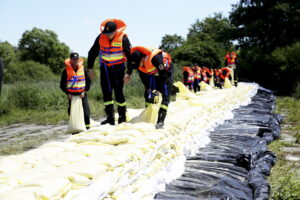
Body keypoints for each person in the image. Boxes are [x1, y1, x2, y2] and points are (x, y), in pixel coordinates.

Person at [87, 19, 131, 125]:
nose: (108, 35)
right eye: (106, 33)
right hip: (105, 69)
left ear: (115, 31)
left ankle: (122, 117)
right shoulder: (101, 37)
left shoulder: (123, 38)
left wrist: (128, 73)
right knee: (106, 92)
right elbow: (92, 52)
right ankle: (110, 118)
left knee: (118, 92)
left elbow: (130, 57)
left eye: (110, 33)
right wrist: (90, 68)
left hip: (118, 68)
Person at [124, 46, 174, 129]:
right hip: (153, 73)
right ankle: (147, 117)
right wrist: (128, 73)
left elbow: (163, 76)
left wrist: (157, 91)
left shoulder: (155, 59)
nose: (139, 66)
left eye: (139, 64)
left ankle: (160, 121)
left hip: (165, 72)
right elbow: (132, 66)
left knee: (165, 94)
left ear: (143, 58)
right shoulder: (136, 61)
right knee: (148, 93)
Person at [60, 53, 91, 129]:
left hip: (82, 95)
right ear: (70, 60)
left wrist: (84, 91)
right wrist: (67, 93)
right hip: (72, 96)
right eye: (73, 59)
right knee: (72, 114)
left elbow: (89, 82)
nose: (75, 60)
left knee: (86, 114)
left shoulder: (84, 69)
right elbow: (62, 85)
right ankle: (75, 130)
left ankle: (87, 129)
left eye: (76, 59)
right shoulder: (65, 71)